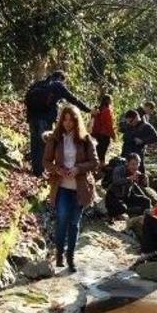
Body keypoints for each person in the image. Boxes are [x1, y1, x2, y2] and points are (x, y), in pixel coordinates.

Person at [43, 105, 100, 272]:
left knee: (74, 224)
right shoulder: (55, 138)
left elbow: (95, 162)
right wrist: (57, 169)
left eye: (71, 120)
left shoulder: (85, 139)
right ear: (61, 121)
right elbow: (46, 161)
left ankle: (71, 258)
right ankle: (59, 254)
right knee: (62, 220)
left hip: (80, 188)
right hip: (62, 186)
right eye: (65, 120)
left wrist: (78, 169)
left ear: (76, 121)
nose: (67, 123)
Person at [25, 70, 92, 177]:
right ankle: (39, 172)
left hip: (33, 118)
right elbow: (73, 99)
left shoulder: (39, 84)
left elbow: (27, 99)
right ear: (61, 78)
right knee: (43, 144)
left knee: (34, 143)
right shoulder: (58, 85)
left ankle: (35, 169)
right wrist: (88, 110)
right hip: (45, 119)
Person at [104, 153, 152, 220]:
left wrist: (145, 181)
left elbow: (143, 186)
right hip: (113, 197)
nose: (135, 167)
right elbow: (116, 181)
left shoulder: (136, 173)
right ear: (127, 163)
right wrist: (129, 178)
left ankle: (144, 220)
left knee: (146, 201)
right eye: (133, 164)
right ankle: (111, 215)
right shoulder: (119, 169)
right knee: (123, 208)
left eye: (137, 164)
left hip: (127, 196)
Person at [119, 109, 157, 173]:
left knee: (140, 172)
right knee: (123, 172)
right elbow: (122, 131)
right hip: (126, 153)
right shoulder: (128, 125)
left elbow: (156, 137)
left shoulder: (146, 126)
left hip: (137, 154)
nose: (129, 123)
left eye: (131, 121)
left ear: (136, 118)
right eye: (128, 122)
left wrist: (143, 140)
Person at [90, 94, 116, 165]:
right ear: (109, 101)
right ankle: (101, 168)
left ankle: (95, 168)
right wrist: (113, 135)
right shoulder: (107, 110)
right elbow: (109, 125)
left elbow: (92, 122)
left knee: (95, 153)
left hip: (95, 134)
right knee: (102, 155)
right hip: (104, 136)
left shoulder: (96, 109)